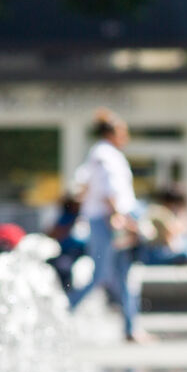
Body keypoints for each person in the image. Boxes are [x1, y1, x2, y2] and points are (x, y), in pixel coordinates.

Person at [67, 109, 146, 341]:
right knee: (101, 275)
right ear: (112, 132)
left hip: (111, 218)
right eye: (123, 131)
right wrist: (119, 217)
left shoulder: (104, 153)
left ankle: (131, 328)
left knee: (123, 274)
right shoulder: (104, 154)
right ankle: (64, 313)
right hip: (107, 220)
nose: (126, 136)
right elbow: (108, 191)